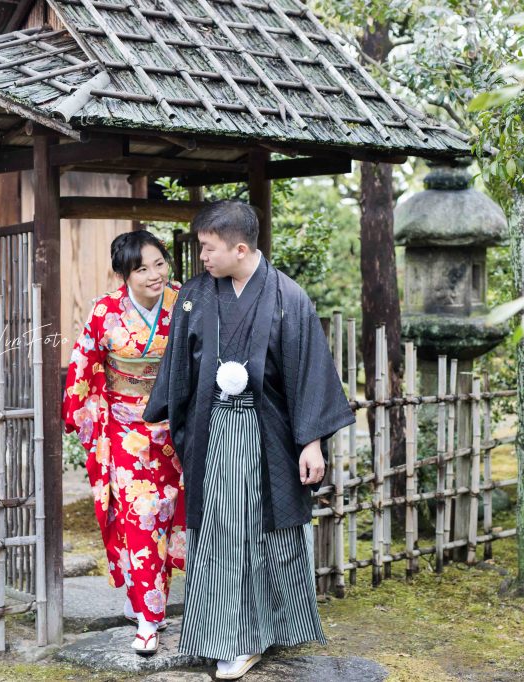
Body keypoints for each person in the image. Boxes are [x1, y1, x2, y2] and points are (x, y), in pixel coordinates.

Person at [143, 200, 355, 680]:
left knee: (261, 532)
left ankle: (250, 638)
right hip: (212, 429)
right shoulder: (196, 295)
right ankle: (223, 634)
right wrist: (169, 420)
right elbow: (179, 367)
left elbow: (308, 372)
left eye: (208, 248)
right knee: (219, 533)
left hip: (269, 436)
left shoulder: (287, 296)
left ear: (240, 249)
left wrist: (311, 442)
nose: (201, 257)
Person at [62, 230, 186, 656]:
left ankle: (162, 603)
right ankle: (148, 619)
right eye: (142, 268)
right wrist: (79, 413)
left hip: (177, 428)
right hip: (126, 432)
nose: (154, 275)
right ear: (124, 275)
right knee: (140, 519)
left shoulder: (184, 302)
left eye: (159, 263)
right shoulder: (106, 310)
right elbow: (84, 363)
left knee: (173, 518)